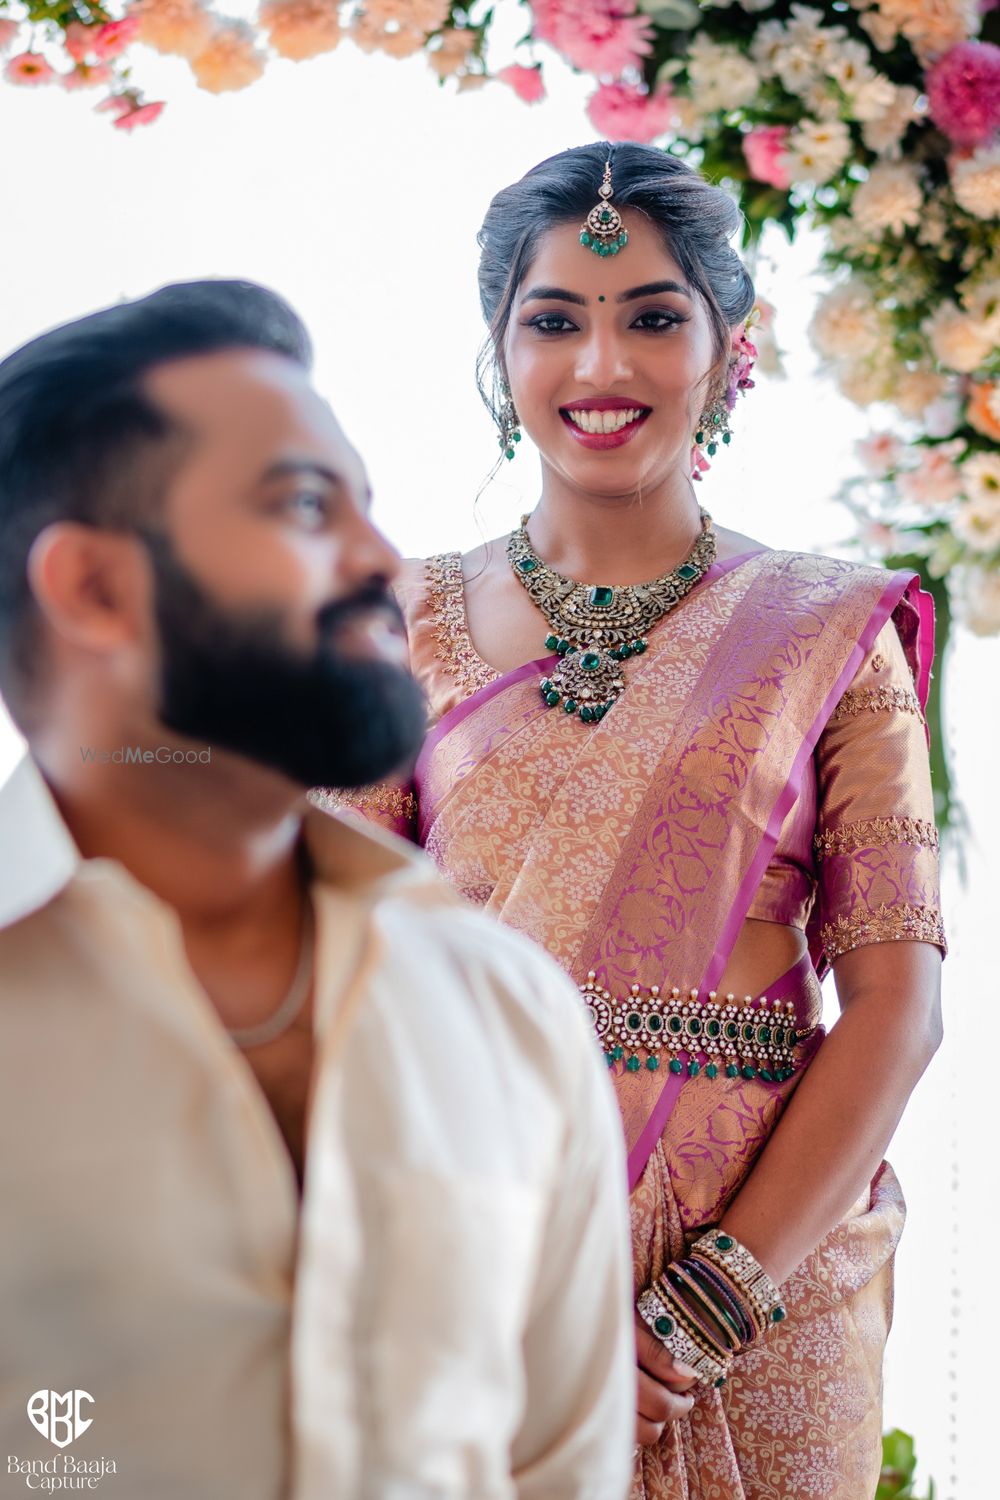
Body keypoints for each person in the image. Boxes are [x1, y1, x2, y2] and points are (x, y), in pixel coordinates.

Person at [329, 144, 946, 1500]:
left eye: (653, 316)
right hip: (478, 1258)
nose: (602, 365)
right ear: (502, 354)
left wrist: (702, 1312)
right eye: (555, 320)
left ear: (727, 350)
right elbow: (335, 989)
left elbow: (898, 1004)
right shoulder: (391, 627)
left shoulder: (831, 633)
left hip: (768, 1282)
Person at [0, 280, 636, 1500]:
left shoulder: (507, 1007)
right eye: (302, 505)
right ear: (91, 588)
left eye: (369, 507)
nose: (382, 562)